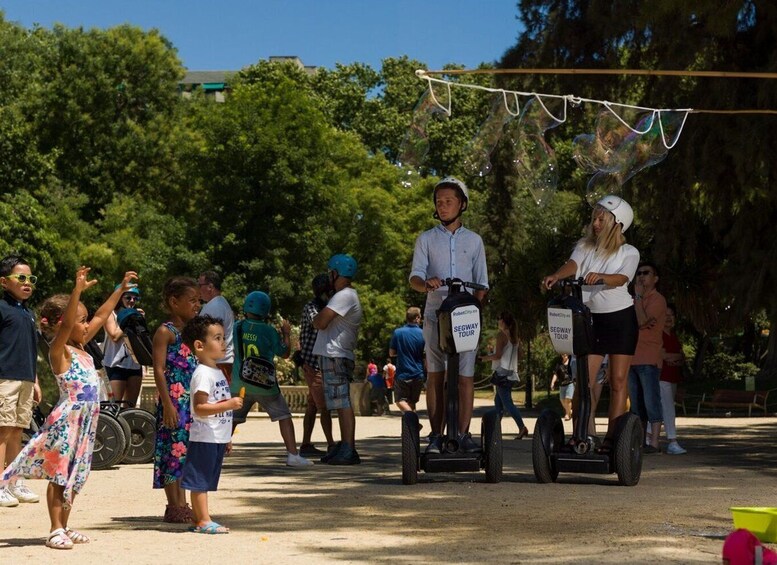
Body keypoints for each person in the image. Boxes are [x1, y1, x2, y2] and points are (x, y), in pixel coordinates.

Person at [2, 267, 137, 549]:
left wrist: (120, 290)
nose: (88, 325)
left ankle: (65, 524)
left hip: (86, 423)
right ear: (64, 323)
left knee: (76, 477)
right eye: (81, 321)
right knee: (60, 475)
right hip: (67, 421)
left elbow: (101, 315)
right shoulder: (59, 351)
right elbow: (65, 327)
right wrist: (76, 291)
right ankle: (54, 529)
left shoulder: (83, 348)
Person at [542, 194, 639, 454]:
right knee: (583, 381)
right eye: (594, 218)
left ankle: (612, 441)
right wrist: (556, 275)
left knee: (618, 382)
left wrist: (603, 277)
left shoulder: (629, 252)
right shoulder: (585, 247)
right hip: (590, 319)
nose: (595, 223)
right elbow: (573, 265)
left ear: (617, 223)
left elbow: (621, 278)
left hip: (620, 320)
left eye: (601, 218)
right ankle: (582, 436)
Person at [410, 176, 488, 454]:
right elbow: (415, 278)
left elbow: (482, 283)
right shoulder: (426, 239)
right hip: (435, 314)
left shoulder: (475, 241)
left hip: (466, 315)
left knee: (465, 378)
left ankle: (464, 435)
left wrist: (476, 312)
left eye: (448, 201)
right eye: (438, 202)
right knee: (436, 376)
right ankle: (435, 434)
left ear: (462, 204)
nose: (442, 207)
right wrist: (426, 282)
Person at [231, 291, 312, 466]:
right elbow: (284, 353)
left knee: (231, 420)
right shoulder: (269, 331)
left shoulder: (236, 327)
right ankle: (292, 455)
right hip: (264, 384)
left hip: (239, 382)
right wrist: (285, 334)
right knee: (283, 416)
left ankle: (215, 453)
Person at [181, 315, 243, 534]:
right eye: (217, 338)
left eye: (223, 338)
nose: (223, 343)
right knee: (200, 480)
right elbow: (200, 407)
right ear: (199, 346)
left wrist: (227, 438)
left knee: (205, 479)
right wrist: (230, 404)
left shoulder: (217, 372)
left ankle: (200, 519)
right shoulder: (203, 374)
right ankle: (204, 520)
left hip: (216, 436)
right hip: (204, 435)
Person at [152, 276, 200, 523]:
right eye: (191, 300)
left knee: (186, 453)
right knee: (172, 453)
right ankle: (174, 504)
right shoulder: (165, 332)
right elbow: (158, 369)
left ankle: (184, 502)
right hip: (174, 403)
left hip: (191, 404)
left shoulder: (193, 333)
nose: (196, 305)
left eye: (198, 301)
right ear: (174, 301)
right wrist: (168, 405)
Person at [312, 254, 363, 465]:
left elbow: (320, 322)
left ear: (335, 273)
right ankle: (344, 445)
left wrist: (318, 311)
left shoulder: (345, 296)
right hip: (335, 354)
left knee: (342, 402)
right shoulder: (344, 295)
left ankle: (349, 448)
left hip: (336, 355)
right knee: (338, 401)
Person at [0, 255, 42, 507]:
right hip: (4, 378)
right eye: (21, 278)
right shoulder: (1, 308)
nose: (27, 283)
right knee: (3, 432)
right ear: (5, 282)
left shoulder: (28, 313)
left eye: (31, 278)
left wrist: (35, 380)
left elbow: (30, 349)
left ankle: (14, 481)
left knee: (18, 431)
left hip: (25, 378)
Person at [628, 261, 667, 454]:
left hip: (649, 359)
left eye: (646, 273)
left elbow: (643, 322)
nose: (641, 276)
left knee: (652, 402)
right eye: (639, 273)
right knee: (636, 406)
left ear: (655, 279)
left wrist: (638, 297)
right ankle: (640, 442)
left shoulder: (657, 300)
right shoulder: (634, 299)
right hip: (631, 358)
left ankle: (654, 443)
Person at [298, 274, 334, 458]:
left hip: (318, 362)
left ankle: (305, 444)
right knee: (324, 406)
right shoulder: (312, 307)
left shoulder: (321, 306)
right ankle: (331, 445)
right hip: (313, 363)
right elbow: (319, 324)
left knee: (312, 405)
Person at [480, 312, 529, 439]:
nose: (498, 321)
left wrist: (482, 358)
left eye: (499, 319)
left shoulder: (501, 335)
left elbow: (497, 356)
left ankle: (521, 427)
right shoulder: (515, 337)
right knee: (498, 403)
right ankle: (495, 430)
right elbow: (521, 355)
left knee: (507, 403)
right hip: (511, 373)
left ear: (503, 321)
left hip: (502, 374)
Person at [102, 286, 144, 408]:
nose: (132, 301)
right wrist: (129, 319)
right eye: (128, 297)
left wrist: (140, 321)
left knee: (130, 407)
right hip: (115, 365)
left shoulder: (135, 315)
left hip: (134, 365)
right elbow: (114, 336)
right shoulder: (111, 314)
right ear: (119, 298)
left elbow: (141, 340)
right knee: (113, 407)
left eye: (135, 298)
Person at [659, 304, 687, 455]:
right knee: (668, 409)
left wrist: (677, 358)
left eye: (672, 315)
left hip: (673, 377)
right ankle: (672, 441)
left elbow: (681, 356)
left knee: (667, 408)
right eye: (666, 315)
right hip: (662, 377)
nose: (669, 318)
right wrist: (676, 357)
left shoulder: (674, 336)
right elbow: (663, 356)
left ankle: (652, 439)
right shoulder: (659, 335)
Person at [198, 271, 235, 383]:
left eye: (200, 285)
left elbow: (210, 335)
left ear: (210, 287)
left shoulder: (216, 306)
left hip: (218, 363)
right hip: (219, 362)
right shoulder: (218, 304)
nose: (198, 289)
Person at [389, 307, 425, 414]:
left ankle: (413, 421)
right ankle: (412, 430)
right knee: (412, 402)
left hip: (403, 374)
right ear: (417, 318)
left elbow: (391, 353)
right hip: (418, 373)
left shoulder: (398, 332)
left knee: (400, 401)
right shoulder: (423, 334)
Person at [550, 354, 574, 421]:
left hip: (570, 383)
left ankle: (567, 414)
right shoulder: (559, 364)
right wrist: (552, 382)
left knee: (568, 399)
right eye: (563, 354)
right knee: (562, 400)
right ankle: (570, 412)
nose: (564, 355)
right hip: (562, 384)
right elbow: (555, 374)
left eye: (565, 354)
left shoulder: (571, 363)